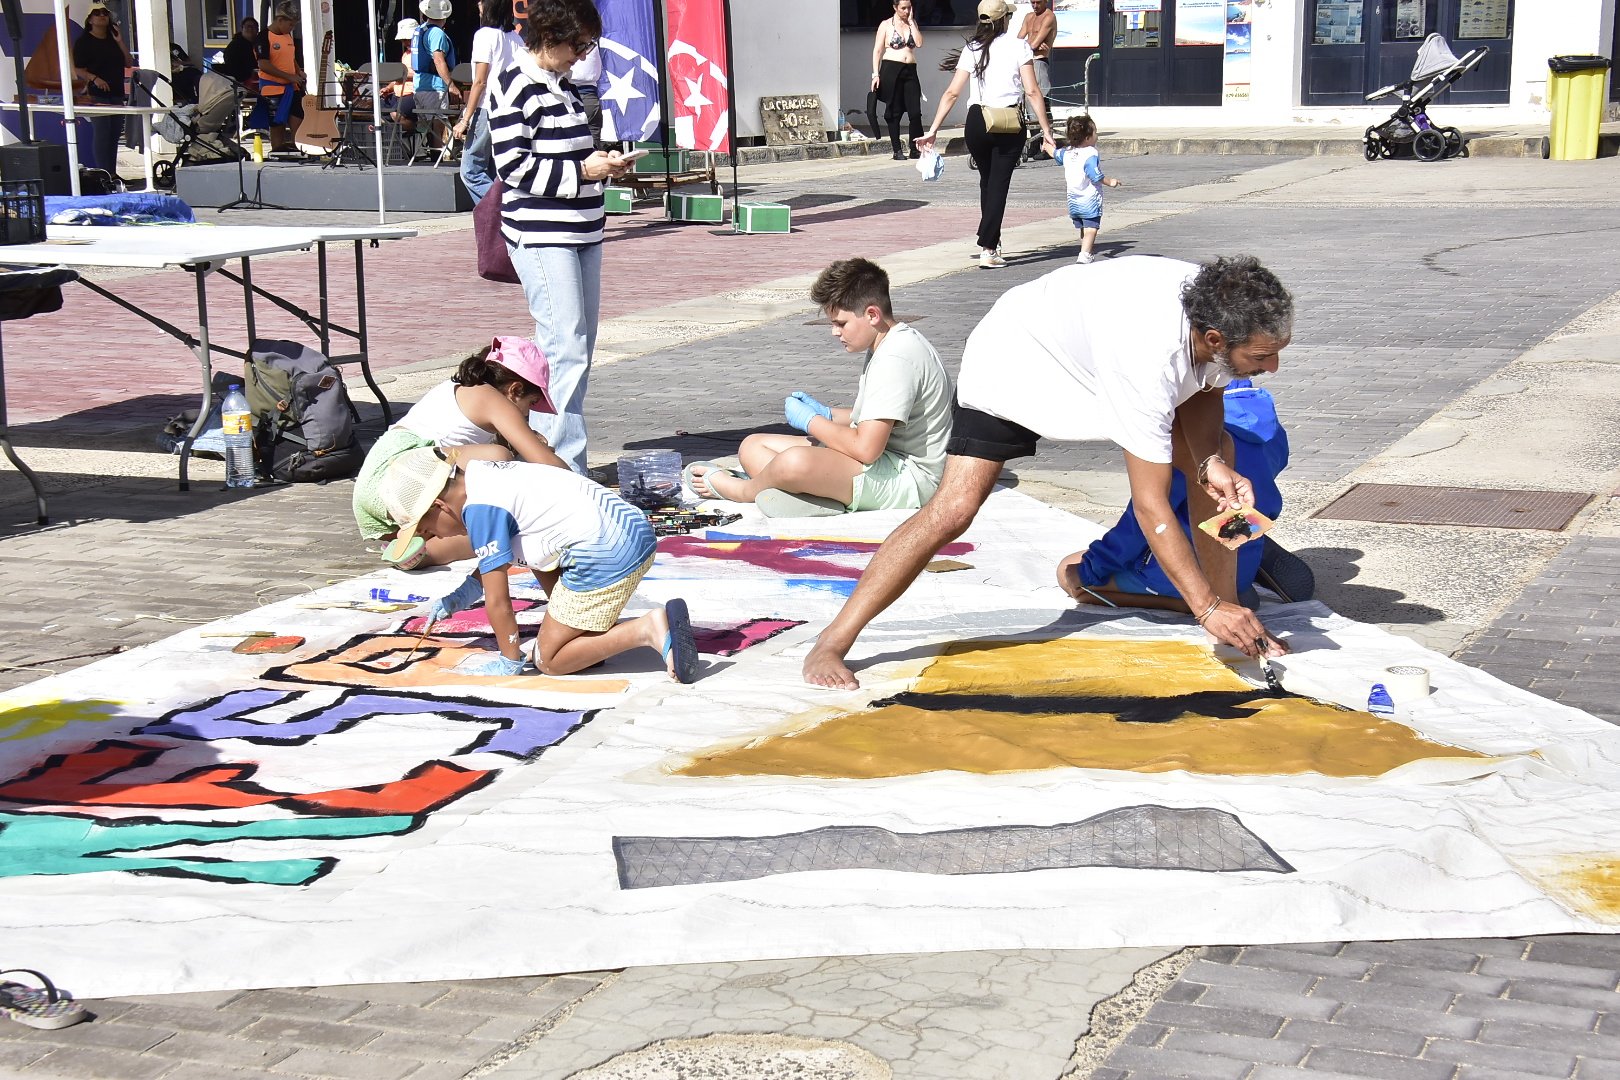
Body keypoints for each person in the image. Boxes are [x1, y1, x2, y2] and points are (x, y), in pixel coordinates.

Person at [802, 255, 1296, 690]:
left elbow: (1206, 384)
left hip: (1092, 343)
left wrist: (1210, 461)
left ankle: (1235, 614)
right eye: (1261, 357)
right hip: (1016, 358)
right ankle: (834, 639)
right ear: (1214, 336)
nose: (1273, 367)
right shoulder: (1147, 358)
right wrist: (1204, 609)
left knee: (1219, 463)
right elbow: (1152, 507)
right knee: (954, 509)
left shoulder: (1215, 304)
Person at [384, 447, 700, 683]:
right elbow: (498, 559)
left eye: (427, 530)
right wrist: (458, 598)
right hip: (628, 530)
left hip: (607, 552)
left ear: (439, 506)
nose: (433, 537)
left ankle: (647, 630)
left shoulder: (480, 510)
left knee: (549, 660)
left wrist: (510, 659)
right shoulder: (483, 476)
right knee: (537, 557)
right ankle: (585, 640)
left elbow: (498, 600)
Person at [685, 258, 953, 519]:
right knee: (753, 446)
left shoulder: (895, 359)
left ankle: (743, 490)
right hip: (886, 463)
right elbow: (880, 417)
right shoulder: (890, 342)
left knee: (794, 462)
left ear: (872, 314)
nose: (835, 333)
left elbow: (866, 449)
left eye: (841, 323)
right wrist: (828, 414)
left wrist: (812, 422)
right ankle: (813, 497)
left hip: (910, 480)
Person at [488, 0, 635, 475]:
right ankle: (558, 462)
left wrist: (603, 166)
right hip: (541, 231)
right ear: (551, 37)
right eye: (579, 44)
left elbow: (569, 157)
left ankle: (548, 452)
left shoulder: (564, 87)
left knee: (577, 345)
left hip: (583, 230)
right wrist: (583, 170)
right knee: (564, 347)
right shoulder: (514, 85)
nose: (582, 54)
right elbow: (512, 167)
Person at [1063, 379, 1314, 609]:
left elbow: (1145, 520)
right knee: (1234, 503)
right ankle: (1246, 545)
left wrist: (1091, 569)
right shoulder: (1269, 425)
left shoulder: (1191, 440)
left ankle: (1194, 605)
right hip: (1243, 526)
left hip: (1198, 570)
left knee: (1068, 570)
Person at [353, 336, 569, 570]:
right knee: (500, 464)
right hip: (403, 481)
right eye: (532, 402)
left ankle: (412, 551)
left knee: (505, 525)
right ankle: (424, 552)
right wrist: (589, 498)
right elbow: (547, 463)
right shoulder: (490, 398)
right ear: (514, 390)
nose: (528, 414)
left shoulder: (460, 390)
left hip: (378, 493)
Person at [915, 0, 1054, 271]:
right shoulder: (1019, 46)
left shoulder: (972, 48)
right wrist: (1047, 131)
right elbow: (1033, 91)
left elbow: (952, 93)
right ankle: (988, 246)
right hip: (1007, 121)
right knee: (999, 184)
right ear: (1003, 21)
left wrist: (932, 130)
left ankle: (993, 240)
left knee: (987, 182)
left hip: (977, 121)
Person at [453, 0, 518, 201]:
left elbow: (480, 81)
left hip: (486, 106)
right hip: (509, 107)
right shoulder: (515, 37)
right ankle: (497, 218)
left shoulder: (484, 35)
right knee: (492, 169)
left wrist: (465, 118)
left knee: (471, 171)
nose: (478, 5)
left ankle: (499, 208)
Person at [71, 5, 133, 174]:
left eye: (105, 13)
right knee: (102, 133)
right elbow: (77, 69)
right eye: (96, 14)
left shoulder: (113, 41)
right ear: (90, 20)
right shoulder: (84, 42)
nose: (102, 16)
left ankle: (112, 173)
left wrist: (120, 41)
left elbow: (128, 62)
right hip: (97, 93)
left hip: (116, 92)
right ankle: (102, 174)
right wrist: (94, 78)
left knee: (113, 135)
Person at [1056, 113, 1121, 264]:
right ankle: (1084, 255)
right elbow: (1095, 174)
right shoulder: (1091, 153)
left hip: (1073, 201)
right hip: (1089, 199)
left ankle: (1087, 250)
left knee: (1084, 228)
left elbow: (1056, 154)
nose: (1097, 135)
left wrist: (1047, 146)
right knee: (1091, 227)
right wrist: (1110, 181)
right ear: (1087, 138)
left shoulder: (1067, 152)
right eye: (1095, 132)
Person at [871, 0, 924, 161]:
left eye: (909, 7)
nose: (907, 11)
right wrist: (875, 74)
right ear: (895, 8)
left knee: (915, 112)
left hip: (910, 71)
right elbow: (878, 50)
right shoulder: (886, 25)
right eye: (903, 8)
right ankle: (897, 150)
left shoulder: (911, 23)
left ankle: (915, 148)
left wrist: (912, 23)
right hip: (891, 69)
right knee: (894, 111)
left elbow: (919, 43)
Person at [403, 0, 462, 147]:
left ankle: (425, 153)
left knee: (426, 124)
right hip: (434, 86)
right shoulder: (437, 33)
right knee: (438, 123)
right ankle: (437, 157)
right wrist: (451, 85)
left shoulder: (420, 30)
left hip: (419, 85)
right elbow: (439, 61)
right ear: (445, 15)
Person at [251, 6, 304, 153]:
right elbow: (264, 64)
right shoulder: (263, 37)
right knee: (277, 124)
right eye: (290, 24)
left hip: (293, 87)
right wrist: (288, 76)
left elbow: (290, 58)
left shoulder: (288, 36)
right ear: (280, 20)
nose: (291, 28)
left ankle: (297, 147)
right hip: (273, 88)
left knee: (298, 115)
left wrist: (299, 71)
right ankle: (277, 150)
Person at [1019, 0, 1056, 144]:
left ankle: (1047, 142)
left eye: (1038, 2)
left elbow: (1034, 43)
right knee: (1028, 105)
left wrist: (1032, 44)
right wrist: (1030, 44)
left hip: (1039, 61)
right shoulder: (1029, 17)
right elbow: (1019, 40)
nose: (1035, 6)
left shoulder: (1049, 17)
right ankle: (1035, 142)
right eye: (1032, 2)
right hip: (1027, 62)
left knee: (1041, 101)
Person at [218, 16, 260, 92]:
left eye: (253, 27)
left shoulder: (260, 44)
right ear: (242, 29)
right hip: (242, 83)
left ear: (257, 30)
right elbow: (232, 66)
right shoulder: (234, 46)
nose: (250, 29)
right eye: (247, 27)